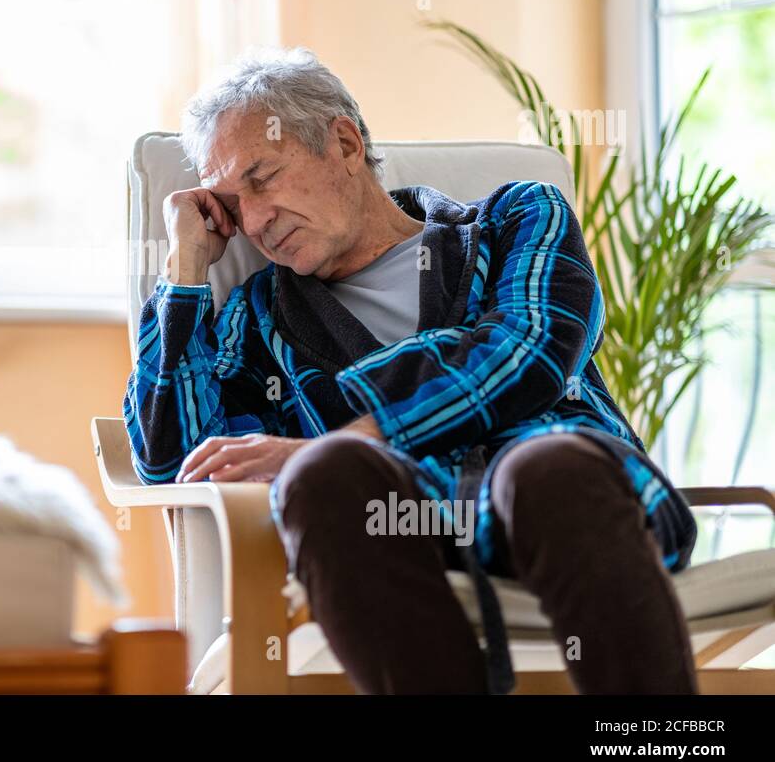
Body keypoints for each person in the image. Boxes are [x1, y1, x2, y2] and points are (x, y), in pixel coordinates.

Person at [123, 47, 698, 694]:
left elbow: (526, 352)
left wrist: (356, 434)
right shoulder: (260, 320)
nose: (253, 221)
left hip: (563, 506)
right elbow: (178, 459)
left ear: (343, 141)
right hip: (396, 536)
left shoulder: (514, 221)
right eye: (231, 203)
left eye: (263, 177)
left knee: (547, 465)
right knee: (321, 474)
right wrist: (186, 266)